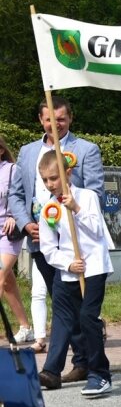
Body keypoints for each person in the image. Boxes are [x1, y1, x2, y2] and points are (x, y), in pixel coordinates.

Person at [9, 95, 104, 383]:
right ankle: (81, 360)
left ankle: (77, 363)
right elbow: (17, 194)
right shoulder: (27, 152)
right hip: (41, 240)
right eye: (49, 119)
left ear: (70, 118)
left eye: (61, 119)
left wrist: (69, 214)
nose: (55, 124)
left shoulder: (86, 150)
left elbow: (96, 193)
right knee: (62, 302)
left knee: (70, 304)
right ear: (41, 120)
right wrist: (27, 224)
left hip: (75, 242)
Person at [36, 151, 114, 396]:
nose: (50, 184)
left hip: (93, 268)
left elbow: (97, 233)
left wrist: (76, 209)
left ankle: (100, 374)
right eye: (46, 180)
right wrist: (67, 263)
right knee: (61, 319)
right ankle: (51, 371)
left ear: (67, 173)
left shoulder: (88, 197)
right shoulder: (49, 208)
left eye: (54, 178)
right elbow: (48, 247)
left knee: (88, 318)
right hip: (68, 269)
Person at [0, 137, 32, 346]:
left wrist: (15, 216)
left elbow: (24, 197)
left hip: (8, 233)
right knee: (8, 282)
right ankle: (25, 327)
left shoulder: (13, 170)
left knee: (0, 276)